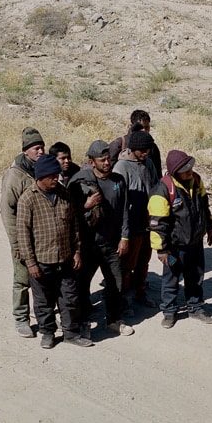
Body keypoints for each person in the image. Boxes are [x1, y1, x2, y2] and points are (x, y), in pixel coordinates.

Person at [16, 155, 92, 349]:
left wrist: (76, 252)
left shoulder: (64, 193)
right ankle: (48, 333)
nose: (55, 179)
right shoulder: (28, 199)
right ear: (40, 177)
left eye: (57, 175)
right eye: (51, 176)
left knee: (69, 298)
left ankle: (71, 334)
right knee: (43, 302)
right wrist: (31, 263)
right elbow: (23, 235)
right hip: (41, 262)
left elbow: (74, 225)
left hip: (65, 259)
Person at [69, 140, 134, 338]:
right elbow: (67, 216)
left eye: (109, 159)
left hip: (112, 245)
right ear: (91, 162)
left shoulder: (118, 181)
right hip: (88, 246)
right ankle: (83, 322)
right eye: (102, 160)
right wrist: (85, 206)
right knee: (81, 286)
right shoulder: (78, 183)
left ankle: (113, 320)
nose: (107, 163)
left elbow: (124, 211)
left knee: (116, 283)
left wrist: (124, 237)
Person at [147, 150, 212, 329]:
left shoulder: (196, 180)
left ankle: (196, 308)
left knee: (195, 278)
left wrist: (209, 228)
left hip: (195, 242)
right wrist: (161, 249)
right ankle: (169, 312)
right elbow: (157, 224)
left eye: (190, 168)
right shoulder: (163, 190)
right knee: (171, 280)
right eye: (185, 170)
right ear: (174, 171)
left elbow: (204, 206)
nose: (190, 172)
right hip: (174, 246)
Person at [0, 127, 45, 338]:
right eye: (36, 148)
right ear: (26, 151)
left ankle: (44, 315)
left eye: (42, 147)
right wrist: (16, 243)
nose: (41, 151)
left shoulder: (41, 168)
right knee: (22, 280)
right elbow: (7, 211)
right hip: (22, 237)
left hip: (42, 236)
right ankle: (21, 318)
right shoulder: (15, 175)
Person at [112, 128, 160, 316]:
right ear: (133, 149)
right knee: (127, 267)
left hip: (148, 223)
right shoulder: (121, 167)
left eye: (148, 149)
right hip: (131, 226)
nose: (147, 153)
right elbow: (116, 196)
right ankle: (123, 301)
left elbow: (155, 186)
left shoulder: (148, 163)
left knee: (143, 263)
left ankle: (140, 292)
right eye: (143, 150)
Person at [109, 110, 162, 176]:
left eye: (146, 127)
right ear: (132, 126)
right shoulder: (119, 144)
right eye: (141, 127)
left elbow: (158, 174)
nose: (144, 131)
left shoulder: (152, 147)